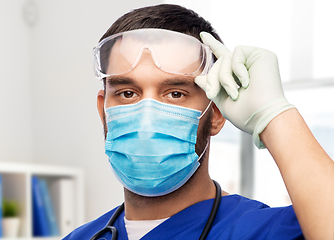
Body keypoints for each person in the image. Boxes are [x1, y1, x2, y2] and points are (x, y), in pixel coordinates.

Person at [63, 4, 334, 240]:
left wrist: (274, 115)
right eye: (127, 93)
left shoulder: (269, 231)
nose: (146, 116)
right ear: (103, 111)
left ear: (215, 114)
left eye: (175, 94)